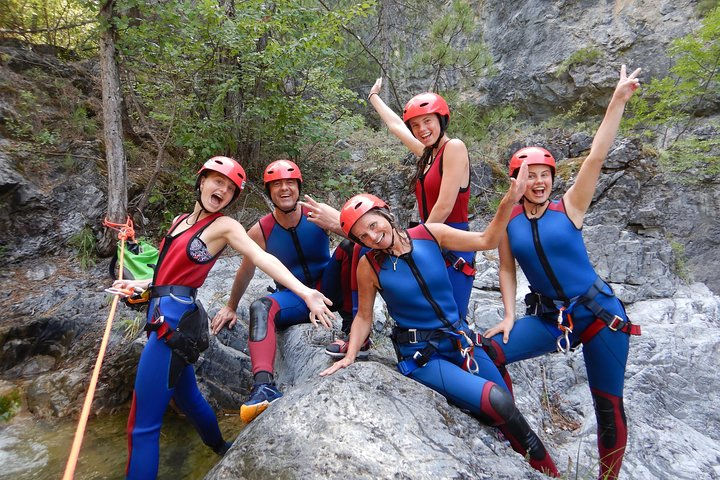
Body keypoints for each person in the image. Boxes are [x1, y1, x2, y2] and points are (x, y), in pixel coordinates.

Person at [320, 169, 560, 477]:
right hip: (423, 356)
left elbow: (487, 240)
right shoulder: (369, 266)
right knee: (498, 402)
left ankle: (548, 473)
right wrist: (351, 354)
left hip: (460, 341)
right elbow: (364, 316)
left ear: (386, 213)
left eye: (373, 225)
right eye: (362, 237)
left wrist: (508, 202)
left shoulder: (430, 233)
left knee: (507, 409)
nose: (372, 237)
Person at [111, 156, 334, 480]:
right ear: (201, 181)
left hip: (170, 327)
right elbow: (168, 272)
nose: (222, 189)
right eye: (217, 181)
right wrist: (141, 285)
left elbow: (260, 257)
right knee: (187, 396)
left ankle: (218, 448)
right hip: (168, 318)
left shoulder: (223, 227)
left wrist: (304, 292)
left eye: (229, 188)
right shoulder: (178, 222)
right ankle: (222, 449)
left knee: (141, 427)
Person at [482, 65, 642, 480]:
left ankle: (608, 478)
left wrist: (617, 100)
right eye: (528, 175)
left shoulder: (569, 206)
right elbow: (505, 268)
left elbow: (597, 155)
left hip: (600, 316)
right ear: (515, 179)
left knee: (607, 405)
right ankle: (533, 455)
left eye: (543, 175)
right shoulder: (507, 219)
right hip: (553, 319)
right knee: (489, 352)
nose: (537, 182)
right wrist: (510, 314)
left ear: (553, 178)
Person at [210, 159, 363, 424]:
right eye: (277, 185)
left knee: (350, 247)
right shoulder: (260, 230)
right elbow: (246, 270)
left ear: (298, 187)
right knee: (260, 307)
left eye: (289, 183)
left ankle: (353, 332)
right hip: (295, 299)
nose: (284, 189)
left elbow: (365, 238)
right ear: (269, 192)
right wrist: (231, 306)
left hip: (330, 289)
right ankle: (263, 386)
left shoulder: (316, 213)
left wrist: (336, 223)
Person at [367, 79, 475, 320]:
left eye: (428, 121)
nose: (422, 129)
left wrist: (415, 242)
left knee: (454, 317)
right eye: (415, 125)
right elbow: (396, 126)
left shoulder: (454, 148)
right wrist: (374, 97)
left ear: (441, 120)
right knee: (432, 312)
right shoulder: (428, 155)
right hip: (431, 238)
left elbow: (445, 205)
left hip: (453, 241)